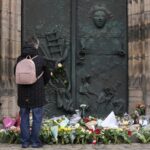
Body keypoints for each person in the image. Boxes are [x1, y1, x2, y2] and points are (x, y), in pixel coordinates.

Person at [14, 36, 50, 148]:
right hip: (37, 93)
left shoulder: (20, 59)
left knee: (24, 117)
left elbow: (15, 73)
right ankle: (35, 142)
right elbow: (47, 76)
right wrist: (40, 84)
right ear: (36, 45)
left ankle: (24, 142)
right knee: (37, 117)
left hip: (22, 93)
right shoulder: (40, 59)